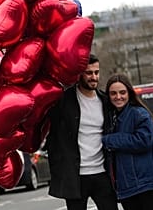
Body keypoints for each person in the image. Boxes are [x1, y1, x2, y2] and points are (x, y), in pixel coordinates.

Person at [45, 54, 118, 210]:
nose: (94, 77)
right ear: (79, 74)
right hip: (75, 176)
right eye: (89, 73)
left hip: (101, 173)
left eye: (96, 73)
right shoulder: (63, 100)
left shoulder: (105, 101)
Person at [102, 73, 153, 210]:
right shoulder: (113, 117)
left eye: (122, 92)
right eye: (113, 93)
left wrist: (109, 140)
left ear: (129, 93)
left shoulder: (139, 113)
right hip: (127, 187)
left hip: (145, 185)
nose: (118, 97)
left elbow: (143, 141)